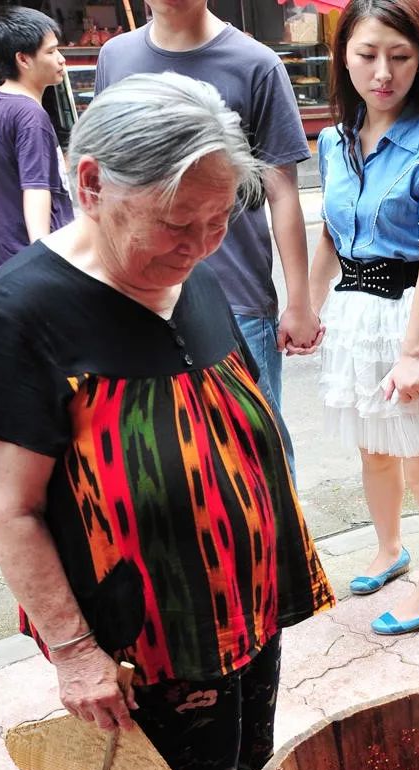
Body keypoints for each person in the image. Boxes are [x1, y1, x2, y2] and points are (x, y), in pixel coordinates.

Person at [0, 74, 334, 770]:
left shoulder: (189, 271)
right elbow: (6, 506)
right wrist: (74, 650)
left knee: (244, 736)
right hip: (138, 623)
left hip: (235, 594)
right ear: (89, 184)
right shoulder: (18, 317)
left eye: (216, 223)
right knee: (156, 765)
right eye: (177, 224)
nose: (201, 246)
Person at [309, 0, 419, 636]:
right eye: (367, 54)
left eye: (400, 56)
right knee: (374, 451)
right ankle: (390, 551)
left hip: (413, 312)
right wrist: (302, 305)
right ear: (344, 58)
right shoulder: (333, 141)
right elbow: (330, 235)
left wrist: (413, 353)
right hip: (355, 312)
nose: (382, 72)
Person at [94, 0, 322, 481]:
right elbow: (103, 182)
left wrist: (299, 302)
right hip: (136, 297)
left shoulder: (257, 63)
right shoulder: (115, 57)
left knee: (258, 446)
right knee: (159, 453)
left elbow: (282, 191)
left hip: (237, 297)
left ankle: (281, 554)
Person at [0, 7, 74, 269]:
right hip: (34, 258)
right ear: (23, 60)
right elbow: (37, 188)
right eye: (50, 52)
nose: (61, 59)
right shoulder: (30, 115)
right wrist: (43, 257)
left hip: (6, 256)